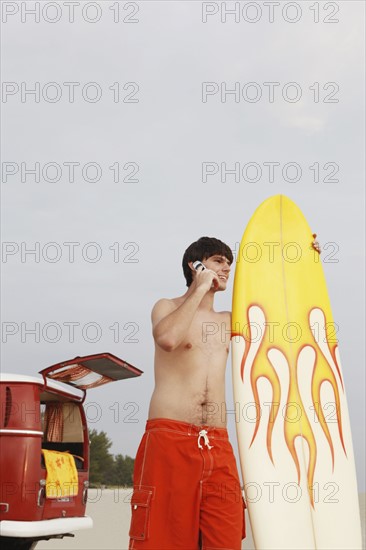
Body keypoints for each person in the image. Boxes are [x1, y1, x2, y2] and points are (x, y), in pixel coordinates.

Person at [128, 237, 246, 550]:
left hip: (218, 444)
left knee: (227, 538)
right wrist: (199, 289)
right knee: (161, 539)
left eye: (228, 263)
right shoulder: (167, 307)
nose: (226, 268)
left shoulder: (229, 320)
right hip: (170, 439)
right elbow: (167, 339)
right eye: (218, 260)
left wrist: (307, 257)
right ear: (195, 265)